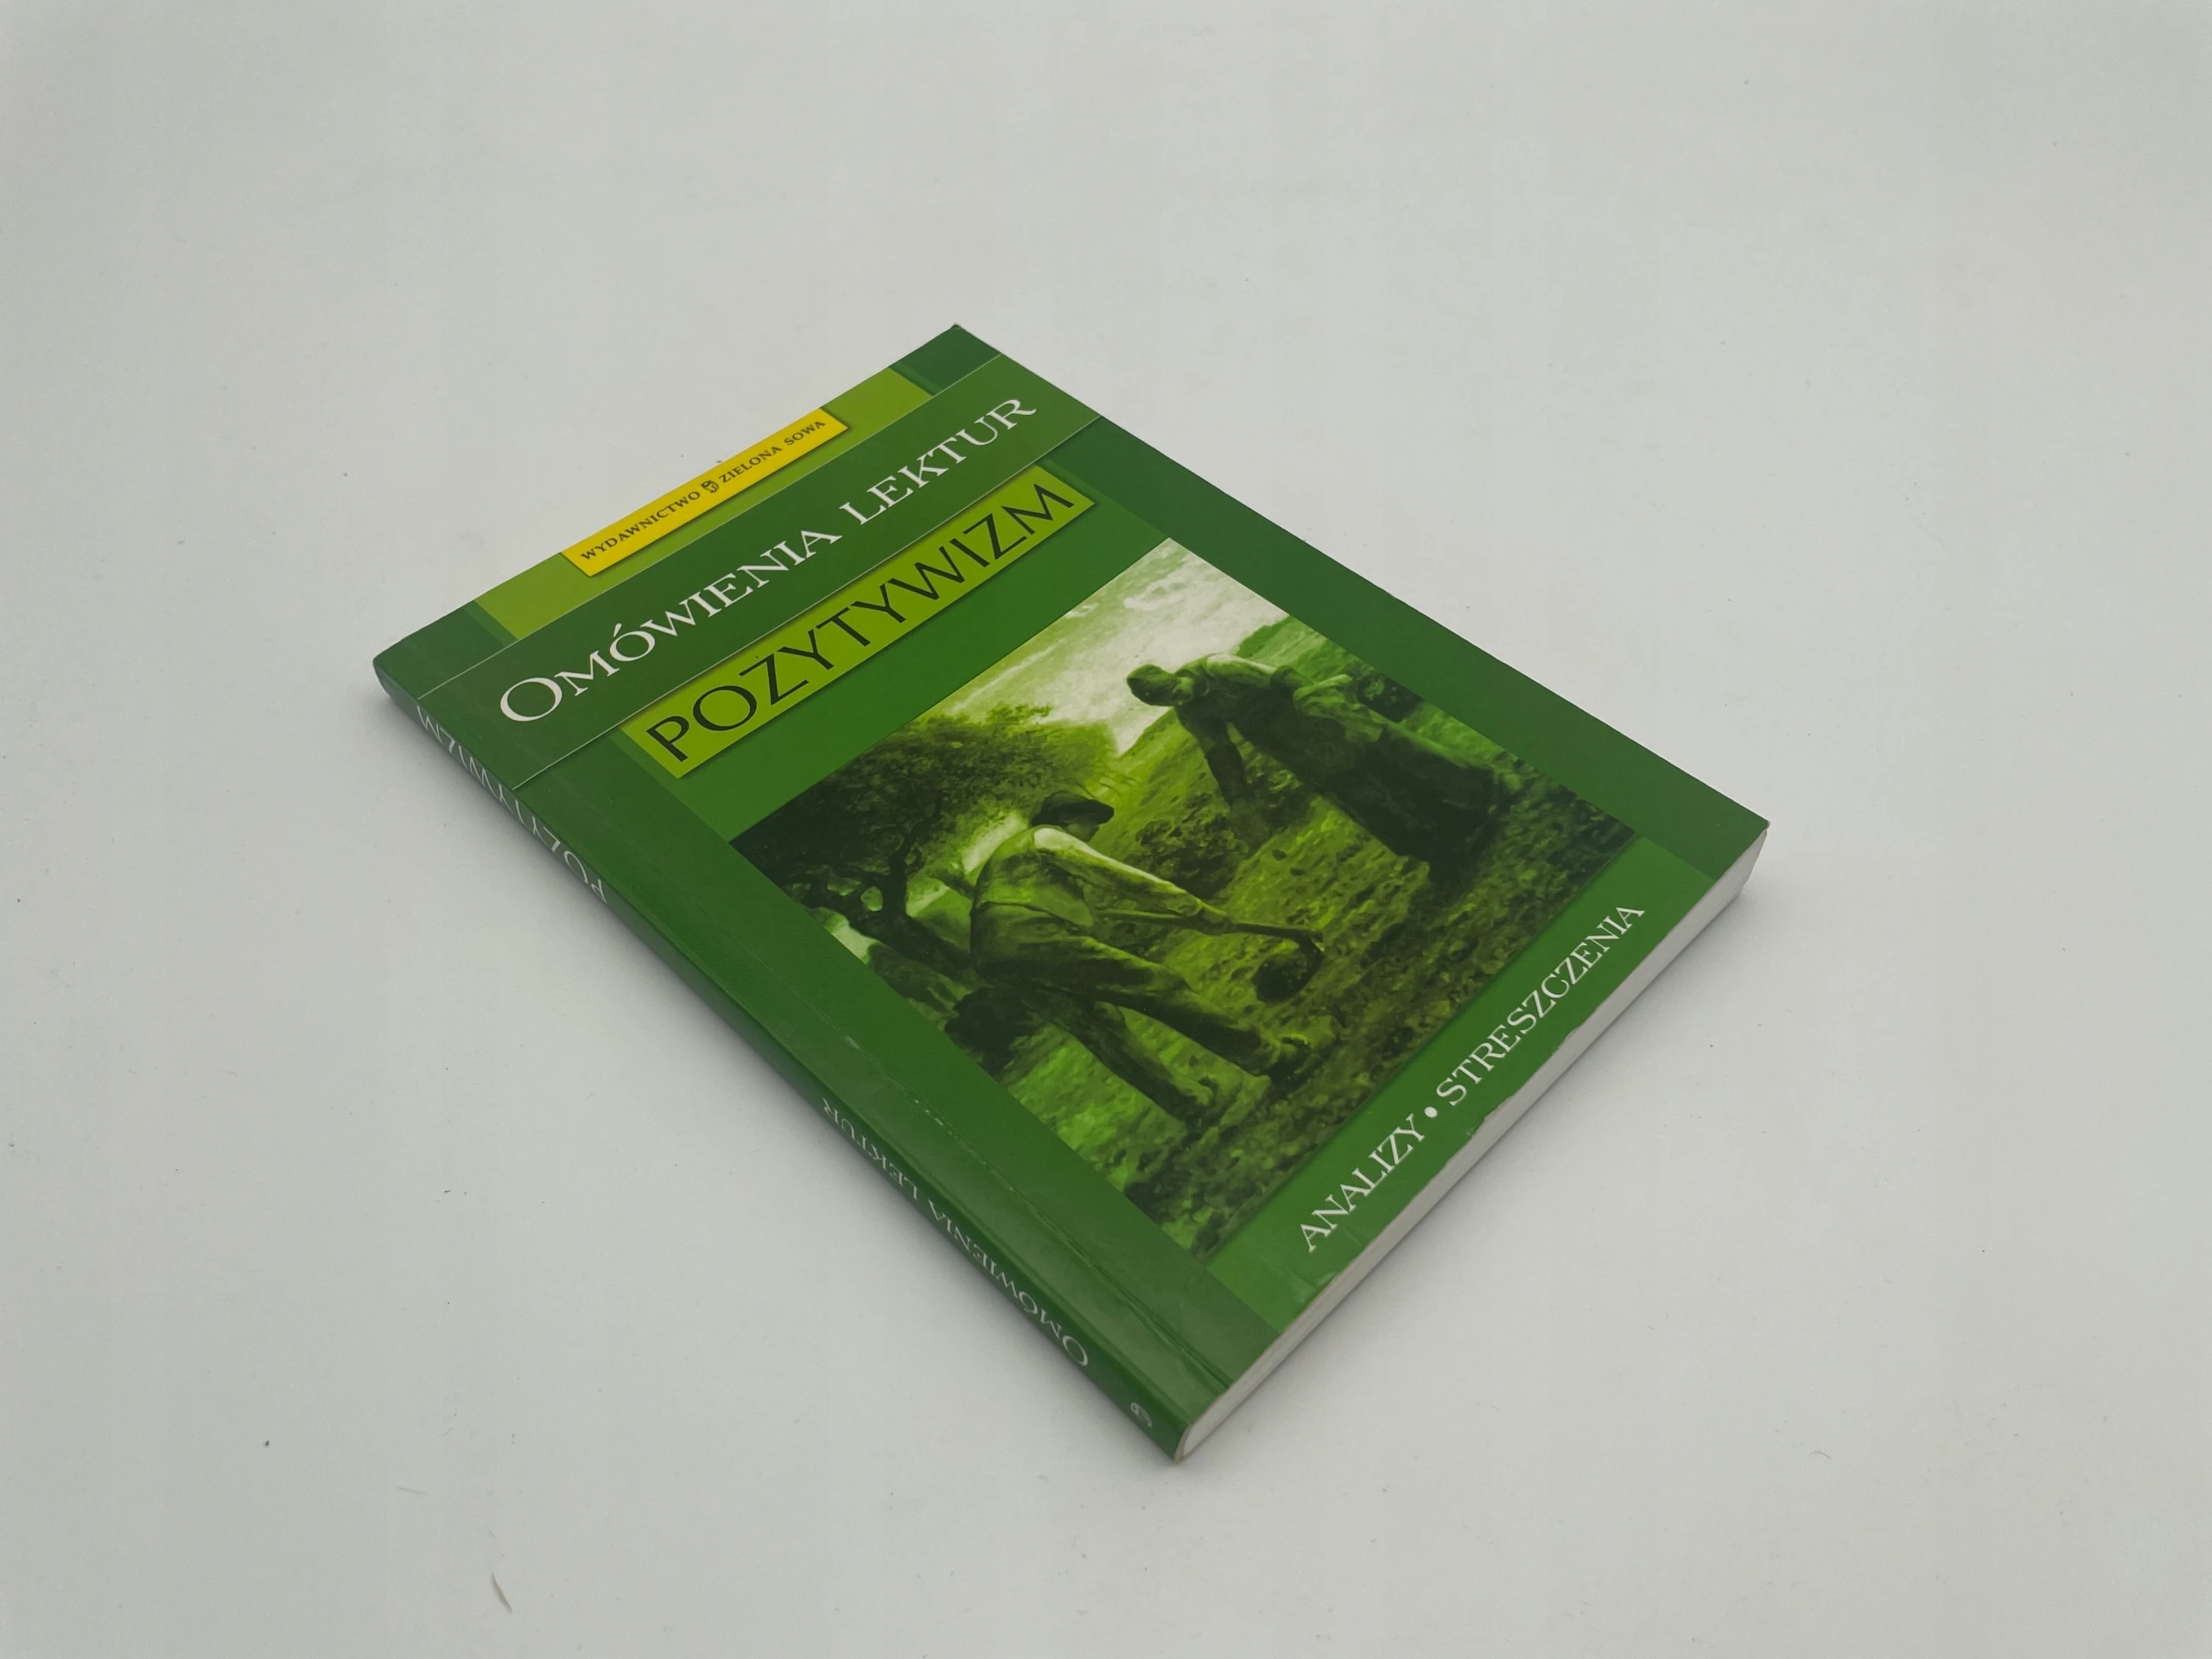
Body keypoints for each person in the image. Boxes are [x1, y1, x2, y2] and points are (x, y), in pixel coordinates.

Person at [969, 791, 1322, 1122]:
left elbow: (1037, 909)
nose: (1095, 831)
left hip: (993, 956)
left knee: (1098, 1026)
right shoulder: (1047, 836)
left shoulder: (1015, 862)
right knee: (1159, 985)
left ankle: (1190, 1104)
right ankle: (1275, 1058)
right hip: (1030, 937)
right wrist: (1195, 909)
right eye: (1091, 821)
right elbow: (1122, 878)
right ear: (1067, 819)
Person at [1126, 653, 1516, 874]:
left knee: (1400, 759)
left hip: (1321, 720)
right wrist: (1239, 799)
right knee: (1365, 797)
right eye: (1168, 700)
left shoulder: (1217, 666)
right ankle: (1443, 848)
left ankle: (1492, 789)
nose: (1178, 698)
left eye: (1175, 689)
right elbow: (1220, 752)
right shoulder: (1190, 713)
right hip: (1296, 749)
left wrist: (1320, 703)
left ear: (1172, 675)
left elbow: (1283, 678)